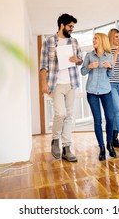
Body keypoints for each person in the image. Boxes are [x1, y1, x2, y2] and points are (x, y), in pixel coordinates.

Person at [39, 13, 82, 162]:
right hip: (56, 84)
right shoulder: (48, 42)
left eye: (73, 27)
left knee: (69, 115)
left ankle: (67, 147)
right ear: (62, 25)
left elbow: (80, 60)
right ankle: (55, 139)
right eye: (70, 26)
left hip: (71, 83)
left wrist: (77, 60)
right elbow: (43, 65)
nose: (71, 29)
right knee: (60, 114)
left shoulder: (74, 42)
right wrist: (44, 83)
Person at [81, 33, 116, 161]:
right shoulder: (89, 55)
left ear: (102, 40)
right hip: (92, 92)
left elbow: (111, 74)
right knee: (97, 120)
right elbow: (82, 71)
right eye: (93, 38)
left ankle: (109, 144)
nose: (93, 40)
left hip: (106, 90)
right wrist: (89, 66)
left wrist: (110, 67)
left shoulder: (109, 56)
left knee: (110, 118)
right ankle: (101, 148)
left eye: (96, 38)